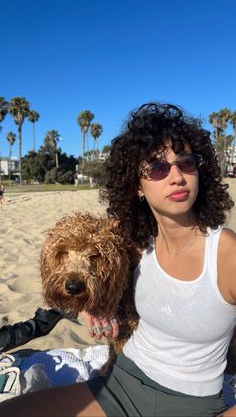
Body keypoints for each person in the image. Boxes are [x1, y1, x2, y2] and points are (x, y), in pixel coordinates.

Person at [0, 102, 235, 417]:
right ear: (137, 186)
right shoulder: (135, 246)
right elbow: (87, 266)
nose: (177, 176)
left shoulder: (226, 254)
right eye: (157, 167)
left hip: (191, 404)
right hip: (119, 381)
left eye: (186, 163)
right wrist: (94, 307)